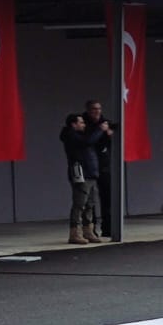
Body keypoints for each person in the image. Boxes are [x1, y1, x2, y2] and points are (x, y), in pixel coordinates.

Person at [59, 113, 104, 244]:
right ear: (74, 124)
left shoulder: (80, 136)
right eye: (81, 122)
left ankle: (88, 230)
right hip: (81, 173)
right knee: (80, 203)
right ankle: (75, 232)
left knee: (90, 204)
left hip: (90, 173)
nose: (84, 125)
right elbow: (88, 141)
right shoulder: (71, 136)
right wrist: (100, 130)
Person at [82, 100, 114, 238]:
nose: (97, 112)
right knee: (90, 200)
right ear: (88, 110)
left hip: (104, 164)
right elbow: (88, 140)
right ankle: (91, 228)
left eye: (99, 109)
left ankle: (108, 228)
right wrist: (100, 130)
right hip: (89, 165)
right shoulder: (83, 124)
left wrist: (109, 133)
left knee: (107, 198)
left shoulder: (105, 123)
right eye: (94, 109)